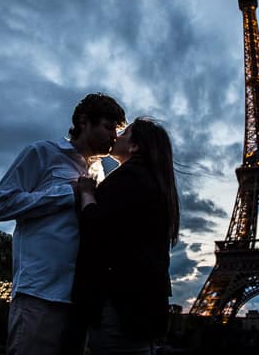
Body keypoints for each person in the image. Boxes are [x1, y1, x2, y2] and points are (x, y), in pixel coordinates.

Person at [0, 93, 126, 355]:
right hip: (40, 294)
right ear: (84, 122)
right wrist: (68, 194)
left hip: (80, 298)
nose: (114, 137)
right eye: (108, 127)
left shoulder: (99, 171)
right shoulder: (41, 153)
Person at [74, 117, 180, 355]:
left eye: (124, 133)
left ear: (134, 146)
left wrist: (87, 194)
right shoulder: (157, 184)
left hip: (119, 307)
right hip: (145, 307)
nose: (116, 136)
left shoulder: (127, 179)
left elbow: (94, 232)